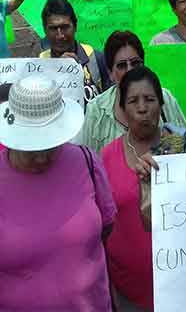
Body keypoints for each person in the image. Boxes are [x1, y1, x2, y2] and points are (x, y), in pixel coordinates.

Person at [0, 76, 117, 311]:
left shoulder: (87, 161)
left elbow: (106, 226)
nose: (42, 158)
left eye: (49, 145)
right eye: (31, 147)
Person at [101, 66, 186, 311]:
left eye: (149, 99)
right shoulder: (106, 157)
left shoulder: (184, 146)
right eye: (133, 101)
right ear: (122, 109)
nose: (142, 108)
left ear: (161, 104)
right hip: (128, 291)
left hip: (184, 285)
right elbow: (102, 227)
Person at [78, 31, 186, 154]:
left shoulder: (164, 98)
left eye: (135, 63)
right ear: (110, 73)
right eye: (122, 65)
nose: (129, 70)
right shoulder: (96, 110)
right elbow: (89, 161)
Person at [40, 0, 110, 102]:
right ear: (45, 30)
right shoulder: (39, 65)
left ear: (75, 26)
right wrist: (58, 70)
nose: (60, 35)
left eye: (65, 27)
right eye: (53, 29)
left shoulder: (96, 58)